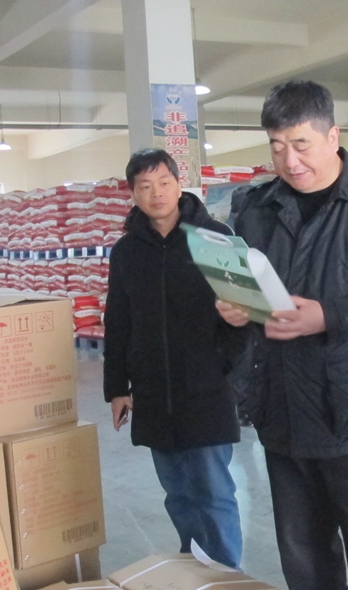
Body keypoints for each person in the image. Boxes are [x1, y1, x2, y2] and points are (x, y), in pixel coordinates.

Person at [216, 80, 348, 590]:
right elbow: (244, 283)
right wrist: (234, 307)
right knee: (304, 558)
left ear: (333, 137)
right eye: (277, 147)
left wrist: (329, 316)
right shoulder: (256, 208)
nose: (289, 161)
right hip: (283, 411)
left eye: (301, 144)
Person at [103, 149, 243, 569]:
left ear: (179, 184)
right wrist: (117, 387)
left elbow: (247, 314)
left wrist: (226, 368)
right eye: (145, 186)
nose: (156, 193)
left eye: (164, 182)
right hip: (153, 391)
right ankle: (194, 570)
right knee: (178, 493)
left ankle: (227, 576)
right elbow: (118, 320)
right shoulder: (127, 251)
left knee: (214, 492)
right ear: (133, 193)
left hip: (206, 388)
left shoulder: (216, 238)